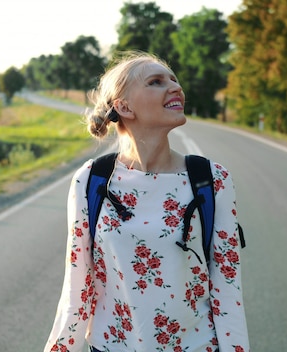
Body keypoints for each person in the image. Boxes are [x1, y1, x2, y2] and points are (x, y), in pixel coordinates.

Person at [44, 51, 250, 352]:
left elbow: (227, 285)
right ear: (124, 106)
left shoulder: (211, 179)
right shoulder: (91, 180)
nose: (175, 87)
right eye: (156, 82)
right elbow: (78, 285)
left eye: (174, 79)